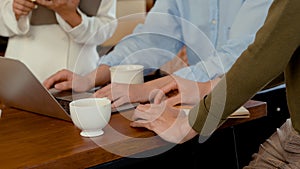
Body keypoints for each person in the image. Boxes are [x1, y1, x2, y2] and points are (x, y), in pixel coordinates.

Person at [130, 0, 300, 167]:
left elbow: (263, 55)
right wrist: (209, 86)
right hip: (293, 131)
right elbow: (281, 55)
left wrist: (190, 124)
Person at [43, 0, 273, 108]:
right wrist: (94, 77)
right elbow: (151, 39)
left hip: (263, 102)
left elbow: (241, 56)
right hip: (197, 99)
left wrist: (153, 87)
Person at [0, 0, 116, 81]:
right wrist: (14, 10)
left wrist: (70, 15)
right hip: (26, 71)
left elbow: (106, 29)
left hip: (79, 73)